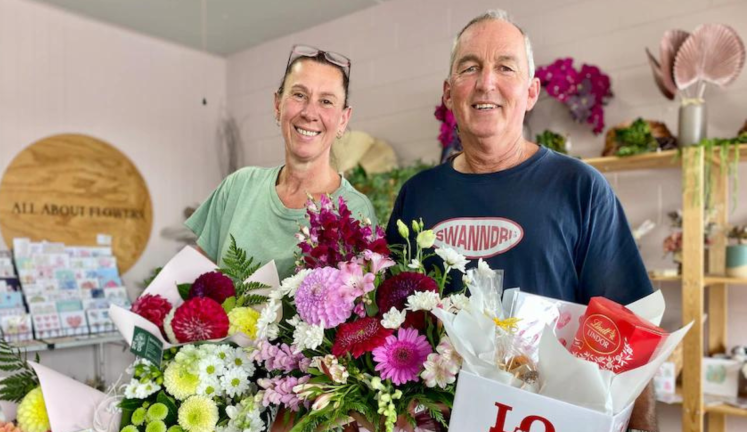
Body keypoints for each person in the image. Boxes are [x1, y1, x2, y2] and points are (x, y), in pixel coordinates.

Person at [386, 10, 657, 432]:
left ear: (531, 92)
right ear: (448, 92)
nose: (486, 82)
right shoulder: (417, 195)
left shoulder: (579, 188)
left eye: (505, 67)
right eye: (469, 67)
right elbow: (389, 322)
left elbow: (628, 331)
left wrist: (642, 427)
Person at [187, 45, 377, 280]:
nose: (309, 113)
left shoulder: (356, 211)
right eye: (299, 95)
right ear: (278, 105)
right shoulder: (237, 187)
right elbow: (196, 283)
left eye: (326, 101)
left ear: (343, 120)